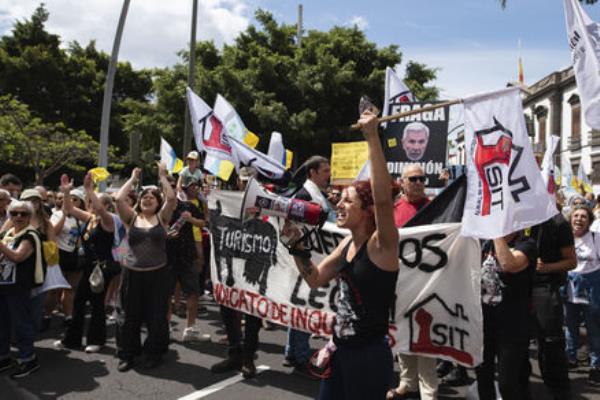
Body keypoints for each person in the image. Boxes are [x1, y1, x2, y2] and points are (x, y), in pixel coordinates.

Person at [286, 110, 399, 399]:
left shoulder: (381, 245)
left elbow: (384, 200)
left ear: (368, 211)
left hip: (369, 358)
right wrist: (297, 248)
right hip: (339, 351)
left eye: (348, 201)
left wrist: (372, 136)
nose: (339, 204)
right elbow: (314, 279)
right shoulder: (345, 245)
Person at [115, 163, 176, 372]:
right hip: (132, 276)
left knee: (156, 317)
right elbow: (118, 199)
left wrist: (162, 177)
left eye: (152, 196)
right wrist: (132, 180)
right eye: (144, 197)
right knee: (129, 317)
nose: (147, 198)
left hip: (158, 276)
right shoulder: (131, 219)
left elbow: (172, 198)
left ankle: (154, 353)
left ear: (158, 202)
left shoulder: (162, 218)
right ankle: (128, 354)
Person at [54, 173, 122, 353]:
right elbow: (69, 208)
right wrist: (67, 192)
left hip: (102, 267)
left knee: (97, 303)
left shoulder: (109, 221)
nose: (91, 205)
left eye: (94, 202)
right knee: (78, 301)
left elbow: (99, 209)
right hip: (87, 266)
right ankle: (72, 339)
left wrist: (89, 190)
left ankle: (96, 340)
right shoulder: (90, 219)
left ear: (107, 206)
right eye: (90, 202)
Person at [389, 164, 438, 400]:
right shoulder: (392, 210)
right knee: (402, 333)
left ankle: (429, 390)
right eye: (413, 179)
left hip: (427, 282)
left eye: (422, 178)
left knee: (424, 335)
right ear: (402, 182)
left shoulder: (437, 208)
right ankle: (407, 382)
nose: (419, 182)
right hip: (399, 282)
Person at [211, 166, 264, 379]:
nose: (245, 183)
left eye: (249, 180)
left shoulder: (265, 203)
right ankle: (235, 352)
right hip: (230, 267)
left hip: (253, 267)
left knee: (252, 314)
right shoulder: (229, 200)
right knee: (227, 308)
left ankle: (249, 357)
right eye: (243, 180)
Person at [285, 155, 335, 376]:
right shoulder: (305, 196)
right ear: (312, 173)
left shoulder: (314, 194)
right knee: (304, 307)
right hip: (305, 259)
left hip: (310, 259)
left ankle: (292, 351)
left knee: (300, 306)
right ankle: (302, 356)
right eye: (325, 171)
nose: (329, 175)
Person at [476, 231, 537, 400]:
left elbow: (508, 264)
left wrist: (496, 234)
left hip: (513, 325)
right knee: (483, 375)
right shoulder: (484, 242)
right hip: (484, 322)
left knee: (508, 382)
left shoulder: (526, 244)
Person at [525, 213, 576, 399]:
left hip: (545, 289)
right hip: (519, 290)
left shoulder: (558, 222)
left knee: (550, 344)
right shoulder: (516, 215)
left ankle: (559, 391)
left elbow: (572, 261)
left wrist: (547, 267)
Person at [0, 200, 44, 379]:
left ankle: (28, 359)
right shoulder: (9, 233)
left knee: (21, 323)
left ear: (29, 216)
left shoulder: (30, 235)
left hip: (20, 287)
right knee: (2, 322)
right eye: (14, 213)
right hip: (4, 285)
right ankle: (4, 357)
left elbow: (18, 257)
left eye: (23, 214)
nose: (18, 217)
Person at [166, 176, 210, 342]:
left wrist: (190, 219)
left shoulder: (187, 206)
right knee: (166, 294)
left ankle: (190, 328)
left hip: (187, 256)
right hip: (166, 258)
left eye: (172, 186)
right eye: (166, 187)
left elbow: (203, 222)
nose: (169, 190)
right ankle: (166, 327)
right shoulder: (159, 209)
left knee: (192, 293)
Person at [563, 205, 600, 384]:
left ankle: (596, 365)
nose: (579, 219)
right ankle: (571, 358)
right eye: (576, 215)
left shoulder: (596, 238)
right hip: (569, 288)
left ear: (589, 221)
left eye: (583, 216)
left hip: (591, 288)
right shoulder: (564, 238)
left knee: (594, 329)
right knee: (570, 326)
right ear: (570, 219)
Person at [49, 188, 87, 327]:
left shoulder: (83, 217)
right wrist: (65, 215)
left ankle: (68, 316)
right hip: (59, 253)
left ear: (81, 203)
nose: (71, 201)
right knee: (54, 289)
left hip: (76, 255)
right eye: (69, 198)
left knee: (70, 289)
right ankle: (47, 315)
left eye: (75, 199)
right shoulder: (57, 214)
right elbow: (53, 232)